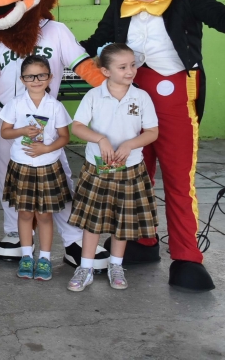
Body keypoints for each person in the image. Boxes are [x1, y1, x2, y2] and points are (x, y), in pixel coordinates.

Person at [67, 44, 159, 292]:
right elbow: (77, 127)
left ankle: (116, 266)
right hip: (98, 169)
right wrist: (100, 138)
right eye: (122, 67)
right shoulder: (94, 96)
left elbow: (152, 131)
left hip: (130, 170)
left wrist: (130, 144)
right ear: (106, 71)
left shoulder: (141, 97)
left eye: (132, 65)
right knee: (92, 221)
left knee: (123, 221)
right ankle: (85, 267)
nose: (130, 71)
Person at [0, 55, 73, 282]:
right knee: (24, 213)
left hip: (47, 165)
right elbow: (5, 132)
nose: (36, 80)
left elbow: (64, 137)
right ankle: (27, 256)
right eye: (30, 76)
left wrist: (46, 148)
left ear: (50, 78)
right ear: (22, 80)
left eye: (41, 76)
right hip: (21, 166)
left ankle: (45, 258)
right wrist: (22, 131)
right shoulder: (16, 104)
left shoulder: (55, 106)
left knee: (45, 215)